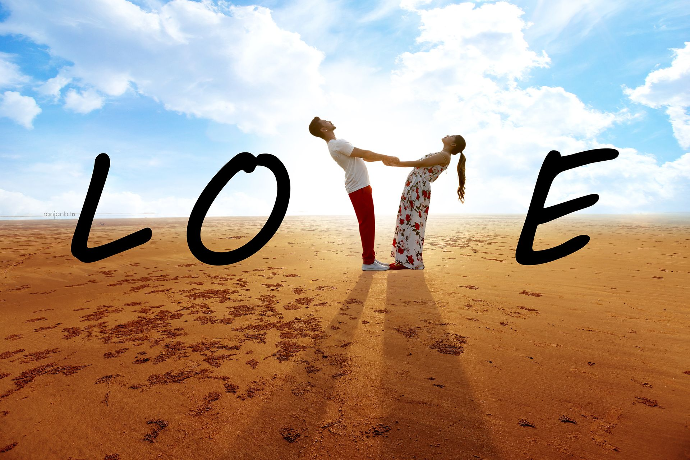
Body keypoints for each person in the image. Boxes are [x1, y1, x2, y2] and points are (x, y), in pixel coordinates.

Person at [309, 117, 399, 271]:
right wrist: (385, 156)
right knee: (367, 224)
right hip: (359, 187)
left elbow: (363, 156)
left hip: (359, 186)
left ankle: (370, 260)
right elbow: (364, 152)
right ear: (323, 129)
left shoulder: (334, 145)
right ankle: (368, 262)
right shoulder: (337, 144)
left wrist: (380, 159)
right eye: (325, 121)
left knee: (368, 223)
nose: (329, 120)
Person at [386, 134, 466, 270]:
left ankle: (409, 261)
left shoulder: (445, 156)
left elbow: (421, 163)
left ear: (453, 144)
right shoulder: (443, 154)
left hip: (418, 188)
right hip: (415, 186)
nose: (447, 135)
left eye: (451, 136)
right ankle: (403, 260)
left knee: (413, 222)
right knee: (406, 221)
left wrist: (398, 164)